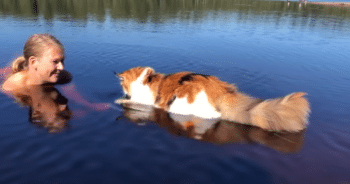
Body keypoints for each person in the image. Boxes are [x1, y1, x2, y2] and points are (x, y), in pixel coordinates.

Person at [0, 34, 110, 132]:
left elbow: (69, 89)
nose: (61, 67)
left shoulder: (61, 76)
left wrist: (89, 105)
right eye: (55, 62)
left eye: (62, 61)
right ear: (34, 62)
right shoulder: (13, 87)